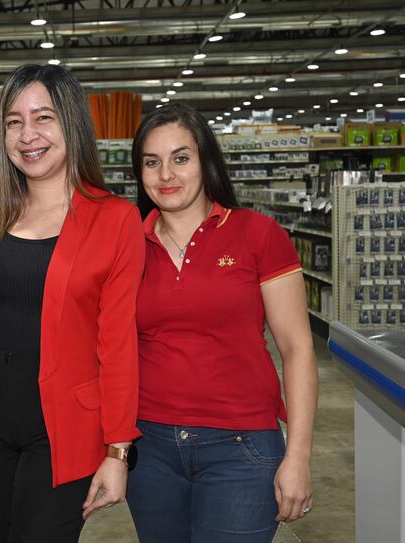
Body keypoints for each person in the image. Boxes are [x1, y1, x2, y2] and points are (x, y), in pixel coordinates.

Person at [0, 63, 144, 542]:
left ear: (72, 122)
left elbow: (118, 345)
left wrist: (118, 451)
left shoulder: (115, 219)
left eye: (43, 118)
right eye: (14, 121)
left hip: (62, 434)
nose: (27, 134)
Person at [125, 102, 318, 543]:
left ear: (206, 161)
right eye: (152, 162)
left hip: (241, 449)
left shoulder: (258, 234)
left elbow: (297, 349)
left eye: (181, 158)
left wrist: (299, 456)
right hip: (149, 449)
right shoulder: (127, 243)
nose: (166, 175)